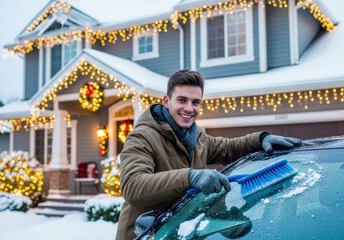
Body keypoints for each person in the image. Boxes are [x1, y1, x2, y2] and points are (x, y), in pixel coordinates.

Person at [115, 69, 301, 239]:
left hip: (181, 232)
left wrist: (259, 139)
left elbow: (230, 148)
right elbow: (132, 186)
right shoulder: (142, 136)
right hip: (144, 235)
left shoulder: (197, 138)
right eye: (182, 100)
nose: (189, 108)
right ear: (166, 101)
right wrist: (190, 176)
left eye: (195, 102)